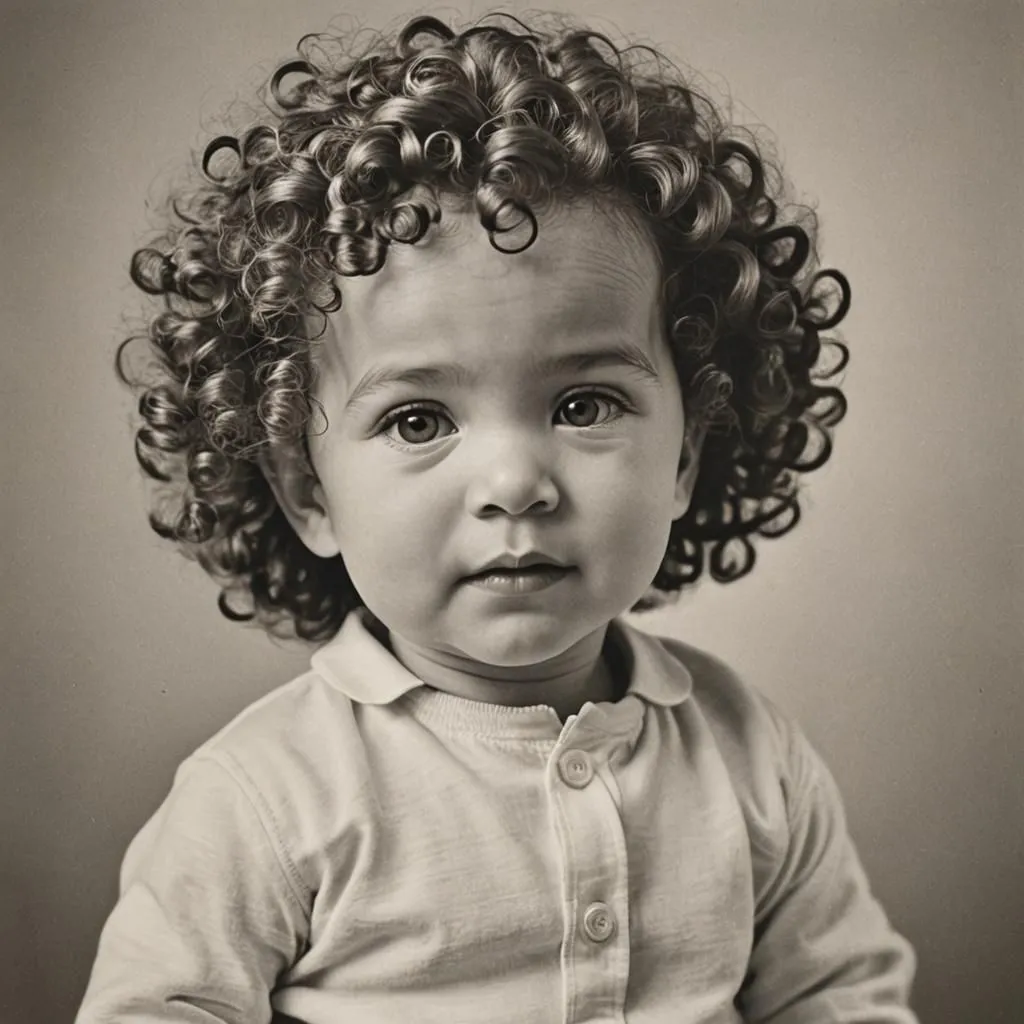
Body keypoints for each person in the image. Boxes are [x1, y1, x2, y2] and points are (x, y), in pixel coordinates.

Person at [76, 10, 918, 1023]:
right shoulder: (265, 797)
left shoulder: (751, 759)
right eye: (420, 418)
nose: (515, 481)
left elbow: (843, 997)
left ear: (687, 453)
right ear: (309, 493)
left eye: (582, 405)